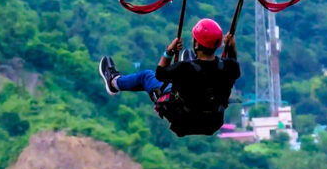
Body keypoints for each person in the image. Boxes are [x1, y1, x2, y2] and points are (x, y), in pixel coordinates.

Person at [99, 18, 241, 137]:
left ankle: (113, 82)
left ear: (197, 44)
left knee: (146, 76)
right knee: (201, 77)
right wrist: (231, 48)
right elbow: (233, 65)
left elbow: (160, 74)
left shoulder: (183, 69)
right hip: (211, 122)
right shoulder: (229, 67)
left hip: (182, 120)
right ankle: (194, 64)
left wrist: (169, 52)